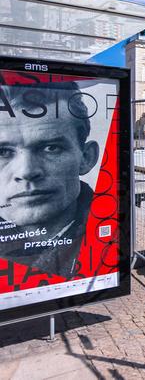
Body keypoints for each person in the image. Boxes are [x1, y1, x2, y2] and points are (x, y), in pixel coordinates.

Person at [0, 82, 100, 278]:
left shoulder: (106, 237)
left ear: (86, 158)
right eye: (3, 152)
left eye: (51, 148)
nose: (27, 171)